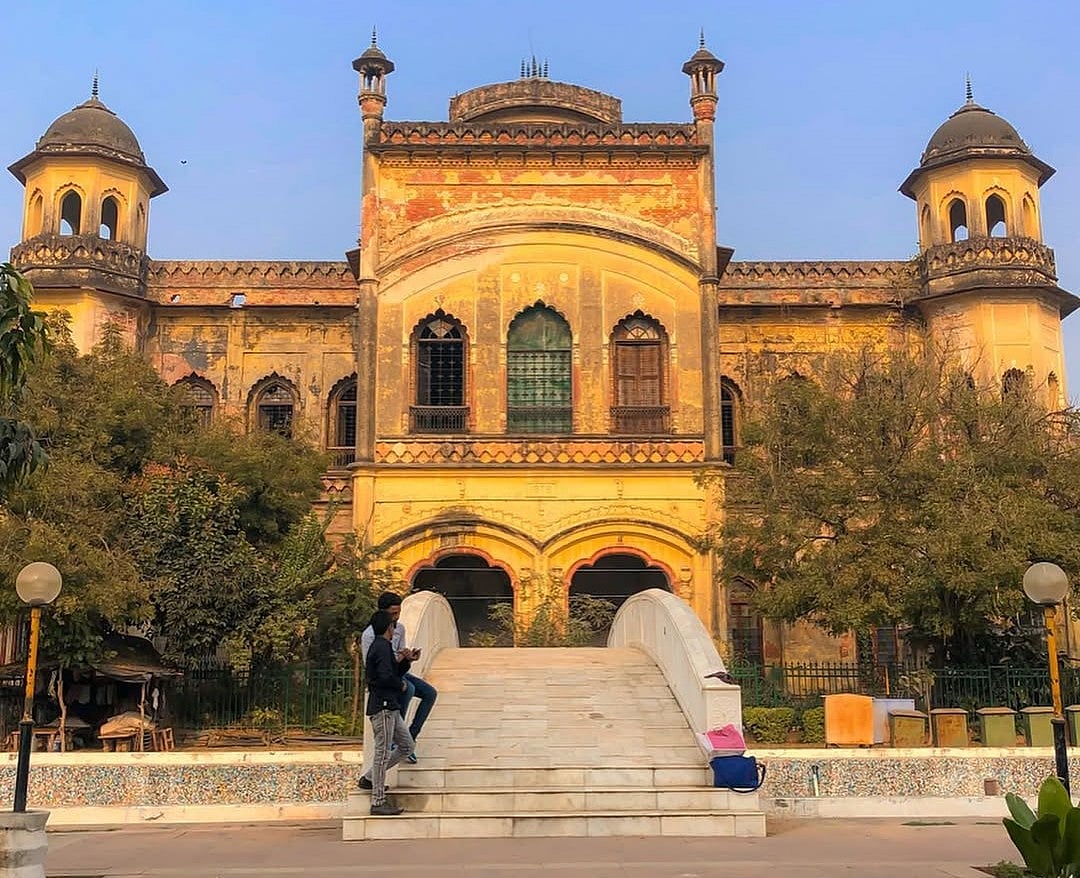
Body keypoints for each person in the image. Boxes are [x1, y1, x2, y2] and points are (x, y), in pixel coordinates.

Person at [359, 592, 438, 763]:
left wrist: (408, 657)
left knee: (430, 693)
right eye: (393, 613)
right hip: (384, 678)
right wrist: (397, 660)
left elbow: (399, 654)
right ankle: (396, 739)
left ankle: (409, 738)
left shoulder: (399, 628)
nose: (396, 617)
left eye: (398, 612)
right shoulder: (370, 635)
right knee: (408, 689)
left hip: (398, 671)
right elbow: (372, 666)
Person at [357, 610, 414, 815]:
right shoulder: (380, 648)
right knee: (382, 753)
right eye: (392, 625)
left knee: (406, 746)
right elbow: (384, 677)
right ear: (388, 627)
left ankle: (369, 778)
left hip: (390, 706)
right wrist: (400, 686)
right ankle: (378, 801)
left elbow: (391, 671)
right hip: (382, 707)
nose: (394, 628)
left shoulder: (384, 647)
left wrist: (406, 660)